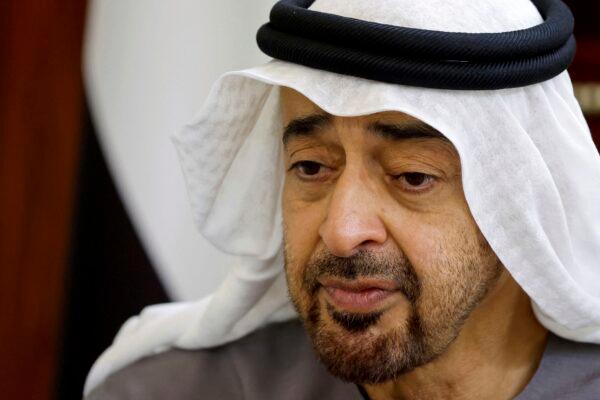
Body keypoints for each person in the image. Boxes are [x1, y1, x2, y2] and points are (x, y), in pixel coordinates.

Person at [84, 0, 600, 399]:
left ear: (520, 203)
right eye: (311, 167)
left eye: (412, 176)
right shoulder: (164, 391)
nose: (342, 229)